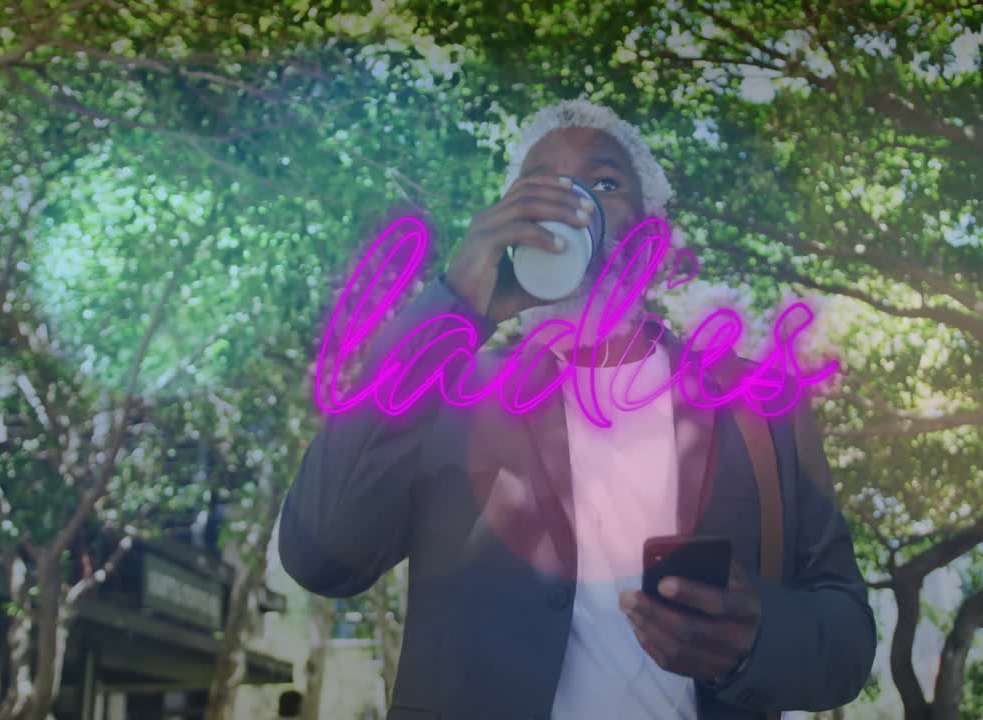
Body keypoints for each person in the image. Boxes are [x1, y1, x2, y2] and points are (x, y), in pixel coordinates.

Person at [279, 99, 877, 720]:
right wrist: (452, 306)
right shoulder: (446, 394)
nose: (569, 206)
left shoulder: (760, 407)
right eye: (539, 189)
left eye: (605, 183)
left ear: (657, 242)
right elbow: (321, 557)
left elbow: (847, 641)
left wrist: (757, 636)